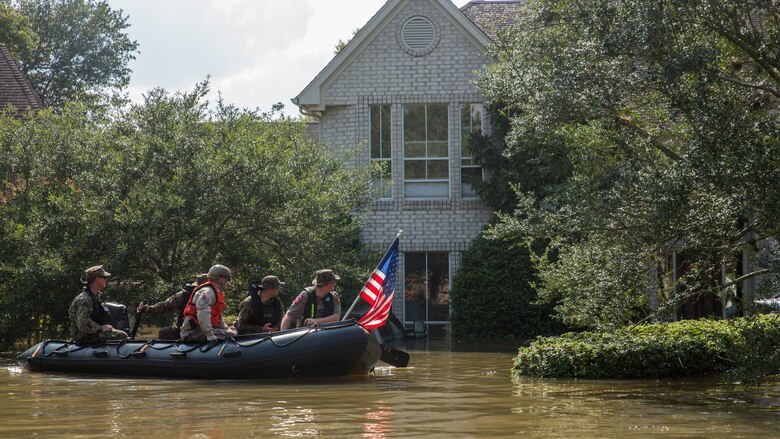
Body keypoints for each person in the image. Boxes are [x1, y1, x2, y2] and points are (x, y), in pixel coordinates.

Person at [136, 273, 208, 339]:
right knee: (165, 332)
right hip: (185, 329)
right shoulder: (184, 295)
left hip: (206, 330)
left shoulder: (215, 297)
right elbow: (166, 304)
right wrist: (149, 309)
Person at [68, 265, 128, 343]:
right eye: (104, 278)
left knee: (123, 333)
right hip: (84, 336)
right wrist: (101, 328)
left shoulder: (96, 297)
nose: (106, 280)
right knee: (121, 335)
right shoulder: (84, 299)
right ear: (97, 279)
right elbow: (83, 324)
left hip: (93, 332)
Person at [180, 264, 237, 342]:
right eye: (228, 278)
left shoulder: (216, 291)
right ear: (221, 278)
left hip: (200, 330)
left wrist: (225, 328)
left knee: (232, 332)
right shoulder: (207, 292)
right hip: (192, 332)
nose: (228, 281)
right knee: (232, 334)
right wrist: (210, 335)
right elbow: (202, 315)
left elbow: (217, 316)